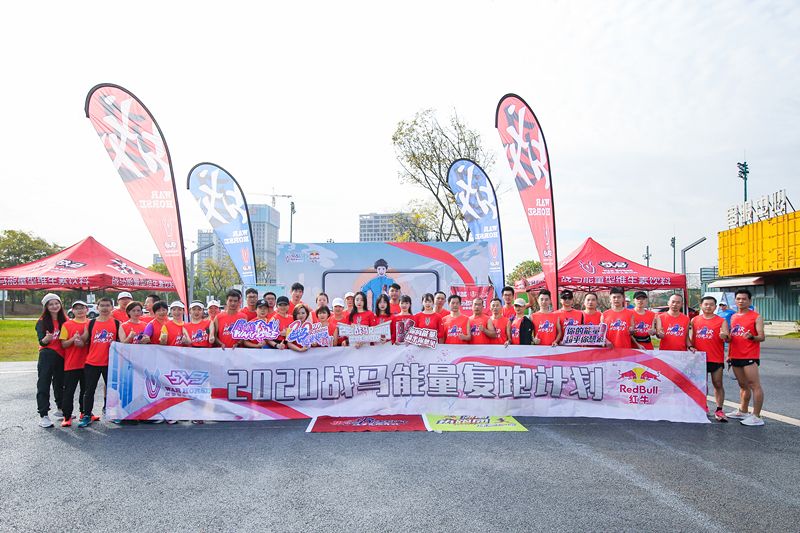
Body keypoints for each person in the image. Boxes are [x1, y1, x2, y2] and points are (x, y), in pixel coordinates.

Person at [78, 297, 125, 427]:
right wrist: (77, 340)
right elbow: (83, 340)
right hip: (92, 362)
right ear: (97, 307)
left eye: (107, 305)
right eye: (102, 305)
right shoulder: (91, 323)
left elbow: (123, 341)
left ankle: (114, 414)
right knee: (89, 391)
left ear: (112, 308)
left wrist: (132, 337)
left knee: (113, 391)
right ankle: (87, 415)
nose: (104, 308)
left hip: (110, 363)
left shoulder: (117, 323)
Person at [726, 289, 766, 426]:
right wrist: (729, 354)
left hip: (749, 356)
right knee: (743, 385)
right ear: (735, 301)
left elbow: (762, 337)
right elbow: (732, 337)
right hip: (735, 356)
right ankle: (743, 411)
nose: (741, 301)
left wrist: (751, 337)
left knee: (754, 385)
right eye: (738, 299)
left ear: (749, 301)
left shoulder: (756, 316)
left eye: (744, 299)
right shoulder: (733, 316)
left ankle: (756, 416)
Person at [692, 296, 730, 422]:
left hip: (716, 357)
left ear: (715, 306)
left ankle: (719, 410)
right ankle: (703, 406)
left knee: (718, 383)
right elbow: (691, 338)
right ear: (701, 306)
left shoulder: (721, 321)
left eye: (711, 304)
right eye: (706, 304)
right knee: (702, 385)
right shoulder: (694, 320)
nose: (708, 306)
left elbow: (728, 337)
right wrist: (690, 347)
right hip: (699, 358)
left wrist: (724, 336)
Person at [35, 293, 66, 428]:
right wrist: (46, 339)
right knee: (44, 384)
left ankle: (61, 409)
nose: (54, 306)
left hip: (62, 355)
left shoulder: (65, 320)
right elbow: (41, 341)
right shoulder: (42, 321)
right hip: (47, 355)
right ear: (46, 307)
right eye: (51, 304)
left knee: (60, 383)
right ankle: (44, 415)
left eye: (56, 303)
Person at [58, 301, 90, 427]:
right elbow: (64, 344)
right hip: (71, 363)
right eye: (77, 308)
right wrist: (73, 339)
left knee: (86, 391)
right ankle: (67, 416)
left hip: (88, 363)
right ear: (72, 311)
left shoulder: (91, 323)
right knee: (69, 391)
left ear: (87, 309)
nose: (80, 310)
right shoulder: (67, 325)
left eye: (82, 308)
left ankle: (84, 413)